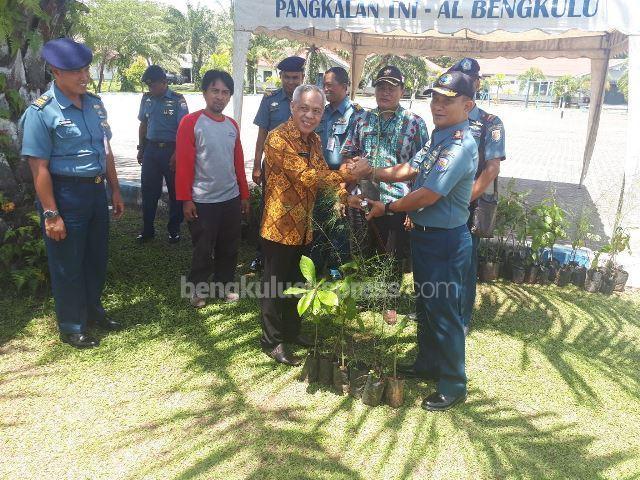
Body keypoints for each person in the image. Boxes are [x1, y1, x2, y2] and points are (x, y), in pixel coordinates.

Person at [349, 70, 478, 411]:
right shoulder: (439, 138)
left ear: (468, 105)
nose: (438, 105)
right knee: (426, 305)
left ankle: (453, 382)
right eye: (435, 98)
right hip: (424, 237)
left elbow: (428, 194)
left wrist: (387, 205)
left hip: (446, 241)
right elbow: (409, 168)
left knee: (445, 311)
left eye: (447, 100)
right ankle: (427, 362)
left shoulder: (460, 145)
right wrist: (372, 172)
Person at [19, 38, 124, 349]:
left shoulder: (94, 104)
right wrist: (51, 213)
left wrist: (115, 189)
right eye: (76, 71)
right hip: (64, 194)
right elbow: (39, 169)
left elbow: (105, 152)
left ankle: (93, 311)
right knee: (67, 262)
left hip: (95, 192)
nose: (84, 76)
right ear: (56, 72)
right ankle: (71, 325)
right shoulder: (42, 112)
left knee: (95, 257)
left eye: (86, 69)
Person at [260, 84, 359, 366]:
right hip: (278, 227)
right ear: (292, 107)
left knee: (296, 284)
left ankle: (292, 333)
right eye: (304, 108)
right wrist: (345, 174)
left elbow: (322, 177)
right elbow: (306, 177)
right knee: (273, 287)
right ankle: (272, 341)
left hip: (304, 226)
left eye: (316, 110)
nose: (309, 115)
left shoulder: (314, 140)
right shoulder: (278, 139)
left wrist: (343, 194)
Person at [342, 65, 428, 275]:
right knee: (361, 255)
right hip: (362, 199)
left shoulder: (414, 123)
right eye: (380, 87)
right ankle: (363, 301)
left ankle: (387, 304)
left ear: (402, 90)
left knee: (391, 259)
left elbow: (423, 168)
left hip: (396, 203)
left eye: (392, 87)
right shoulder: (361, 119)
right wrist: (345, 188)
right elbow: (347, 155)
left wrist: (413, 207)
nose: (385, 92)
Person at [175, 70, 250, 308]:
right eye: (215, 91)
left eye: (225, 92)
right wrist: (186, 199)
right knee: (203, 248)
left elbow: (237, 162)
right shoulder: (191, 122)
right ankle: (198, 290)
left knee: (229, 246)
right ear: (205, 92)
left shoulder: (232, 125)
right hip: (203, 200)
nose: (220, 97)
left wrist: (244, 194)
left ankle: (225, 285)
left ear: (230, 96)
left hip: (230, 198)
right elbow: (184, 164)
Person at [448, 58, 506, 335]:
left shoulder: (490, 123)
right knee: (443, 259)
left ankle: (462, 318)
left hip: (469, 206)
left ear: (477, 84)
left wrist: (466, 197)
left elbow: (492, 167)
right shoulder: (446, 117)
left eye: (469, 78)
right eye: (458, 76)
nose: (464, 82)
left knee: (466, 263)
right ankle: (438, 309)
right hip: (442, 202)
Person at [250, 56, 305, 272]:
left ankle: (296, 254)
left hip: (300, 168)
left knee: (298, 209)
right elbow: (261, 133)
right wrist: (256, 165)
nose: (291, 82)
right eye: (287, 77)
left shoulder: (308, 100)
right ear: (281, 77)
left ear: (302, 78)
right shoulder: (269, 100)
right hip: (272, 168)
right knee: (268, 209)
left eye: (295, 78)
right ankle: (261, 254)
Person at [311, 66, 364, 278]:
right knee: (317, 223)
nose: (326, 89)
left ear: (344, 86)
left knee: (339, 225)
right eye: (324, 85)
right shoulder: (321, 112)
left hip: (343, 178)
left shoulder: (357, 115)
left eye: (330, 85)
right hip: (319, 177)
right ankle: (315, 266)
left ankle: (337, 269)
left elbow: (356, 152)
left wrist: (344, 184)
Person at [136, 65, 189, 244]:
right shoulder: (147, 99)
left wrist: (177, 153)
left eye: (153, 85)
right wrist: (141, 148)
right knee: (149, 190)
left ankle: (173, 230)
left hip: (171, 150)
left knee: (175, 193)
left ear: (164, 83)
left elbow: (183, 130)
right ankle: (147, 229)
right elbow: (143, 125)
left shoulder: (178, 100)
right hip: (151, 150)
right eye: (148, 86)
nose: (150, 88)